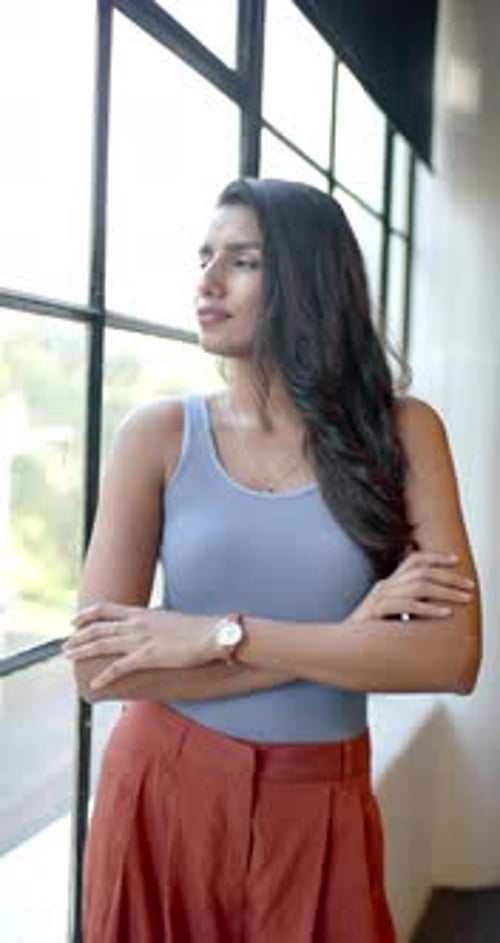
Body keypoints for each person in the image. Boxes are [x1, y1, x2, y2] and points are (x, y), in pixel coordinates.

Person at [64, 178, 481, 943]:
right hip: (159, 788)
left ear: (308, 277)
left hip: (318, 802)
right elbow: (98, 670)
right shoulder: (156, 435)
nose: (208, 281)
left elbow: (452, 657)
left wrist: (221, 635)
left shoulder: (403, 433)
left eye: (243, 260)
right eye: (204, 256)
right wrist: (346, 638)